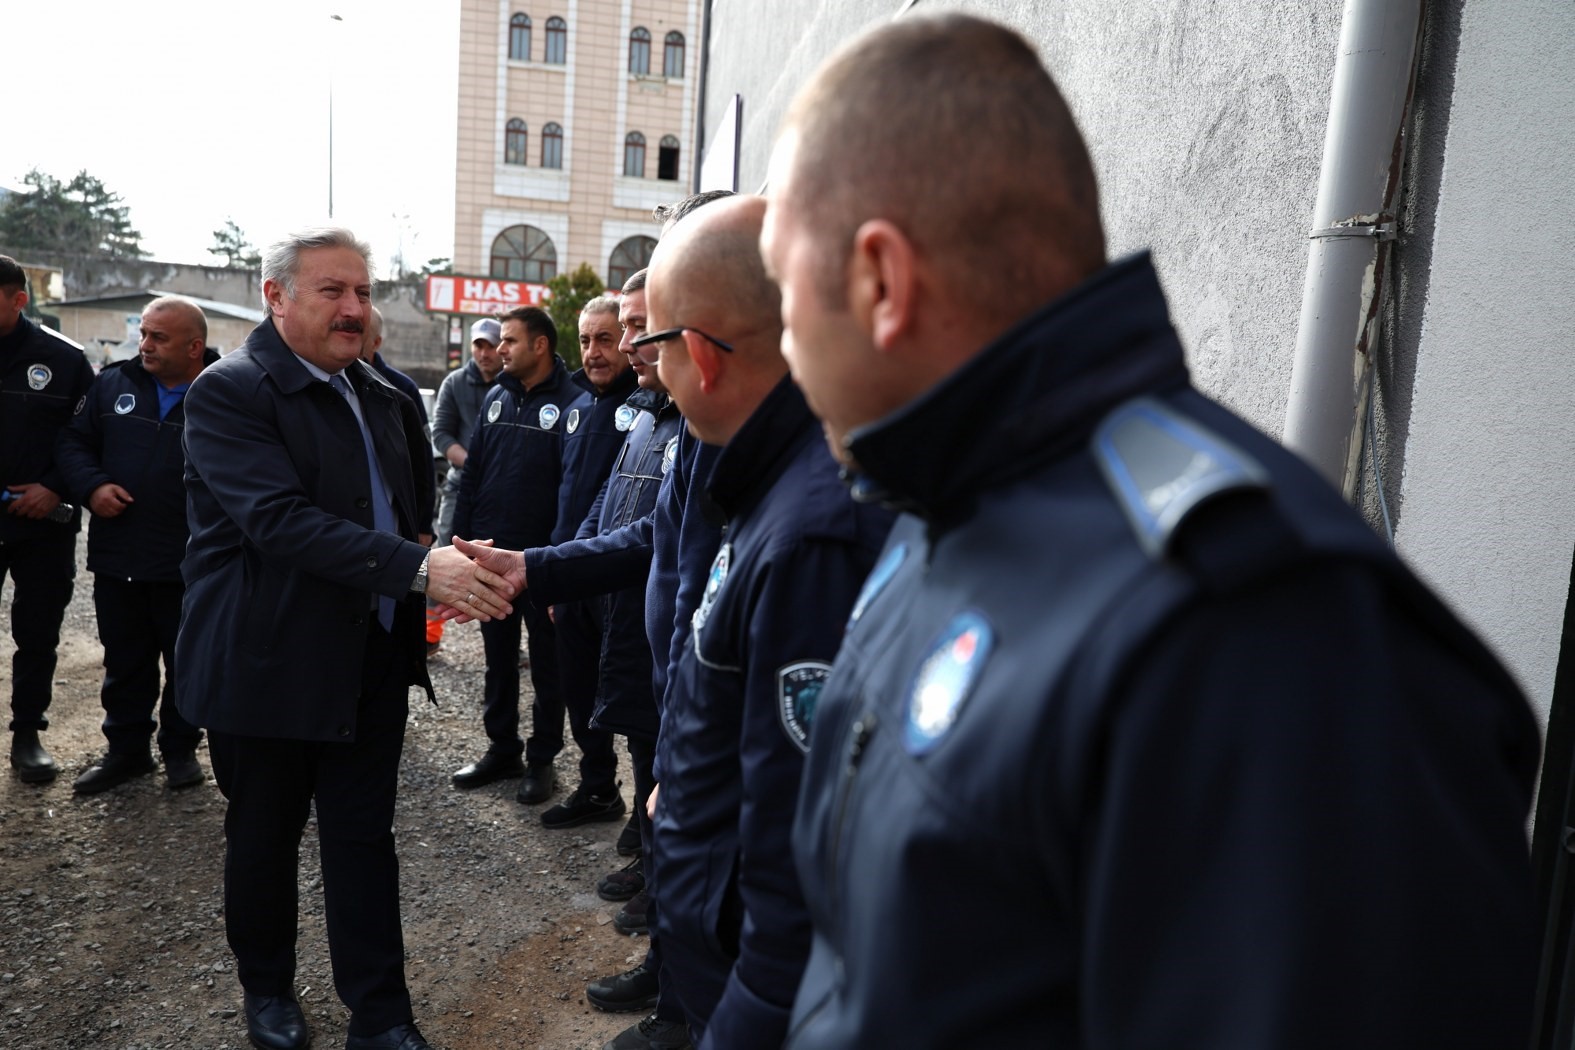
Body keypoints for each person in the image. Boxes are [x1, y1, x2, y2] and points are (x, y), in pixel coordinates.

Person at [759, 15, 1542, 1048]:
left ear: (880, 281)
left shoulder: (1253, 633)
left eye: (780, 290)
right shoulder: (940, 516)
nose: (782, 339)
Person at [176, 226, 512, 1050]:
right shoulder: (230, 392)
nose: (354, 309)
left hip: (367, 662)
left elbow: (404, 519)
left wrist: (446, 567)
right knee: (264, 839)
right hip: (267, 664)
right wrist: (416, 567)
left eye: (361, 292)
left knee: (363, 841)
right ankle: (269, 994)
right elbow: (277, 521)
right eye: (332, 291)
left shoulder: (387, 394)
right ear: (277, 297)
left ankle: (381, 1013)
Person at [628, 194, 893, 1048]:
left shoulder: (812, 525)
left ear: (699, 355)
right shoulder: (776, 482)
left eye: (652, 348)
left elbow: (803, 841)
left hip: (756, 969)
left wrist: (751, 1019)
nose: (651, 371)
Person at [56, 296, 215, 793]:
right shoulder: (113, 384)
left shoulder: (225, 394)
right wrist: (92, 487)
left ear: (194, 347)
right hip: (120, 556)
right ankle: (126, 752)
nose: (144, 345)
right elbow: (73, 443)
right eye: (144, 334)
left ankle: (180, 751)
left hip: (190, 563)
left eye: (158, 338)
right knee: (125, 661)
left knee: (187, 661)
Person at [450, 306, 591, 812]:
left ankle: (542, 759)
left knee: (548, 667)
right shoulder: (495, 398)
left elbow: (574, 494)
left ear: (540, 346)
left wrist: (554, 565)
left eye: (510, 340)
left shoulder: (577, 405)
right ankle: (502, 749)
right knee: (497, 660)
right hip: (489, 560)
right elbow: (473, 477)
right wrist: (458, 542)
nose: (500, 349)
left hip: (539, 564)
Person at [537, 295, 638, 830]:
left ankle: (648, 823)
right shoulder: (576, 406)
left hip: (620, 580)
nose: (594, 351)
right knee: (577, 687)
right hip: (572, 574)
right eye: (585, 339)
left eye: (605, 338)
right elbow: (567, 493)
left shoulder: (647, 407)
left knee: (637, 698)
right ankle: (598, 787)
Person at [0, 254, 95, 783]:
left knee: (37, 633)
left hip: (43, 522)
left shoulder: (64, 360)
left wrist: (54, 487)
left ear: (19, 299)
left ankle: (27, 734)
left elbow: (86, 437)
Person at [427, 318, 503, 652]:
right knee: (443, 555)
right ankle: (429, 634)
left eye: (491, 345)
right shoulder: (455, 382)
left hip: (503, 490)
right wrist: (473, 464)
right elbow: (441, 433)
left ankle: (503, 639)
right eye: (479, 345)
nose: (484, 353)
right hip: (459, 486)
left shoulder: (513, 384)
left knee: (500, 559)